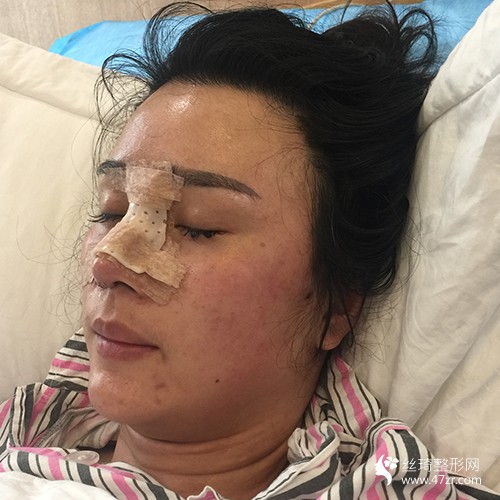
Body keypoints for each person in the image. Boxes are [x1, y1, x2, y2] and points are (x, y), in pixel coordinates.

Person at [0, 3, 498, 499]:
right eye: (112, 211)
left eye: (198, 227)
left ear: (337, 306)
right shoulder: (27, 421)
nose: (108, 260)